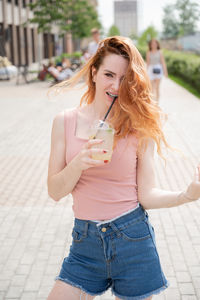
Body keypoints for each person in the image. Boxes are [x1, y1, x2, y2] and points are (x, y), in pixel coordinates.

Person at [47, 36, 200, 300]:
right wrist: (78, 163)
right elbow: (54, 191)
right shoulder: (64, 122)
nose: (116, 86)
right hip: (86, 245)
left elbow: (146, 195)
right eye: (108, 74)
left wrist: (187, 195)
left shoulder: (139, 127)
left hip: (133, 241)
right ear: (93, 72)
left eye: (125, 78)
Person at [146, 39, 168, 103]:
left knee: (157, 87)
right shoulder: (148, 52)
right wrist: (145, 72)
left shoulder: (160, 52)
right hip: (151, 70)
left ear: (157, 44)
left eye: (155, 43)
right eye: (152, 44)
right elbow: (148, 63)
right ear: (150, 45)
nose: (154, 45)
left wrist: (165, 72)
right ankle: (152, 102)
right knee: (152, 88)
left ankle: (157, 102)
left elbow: (163, 62)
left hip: (158, 69)